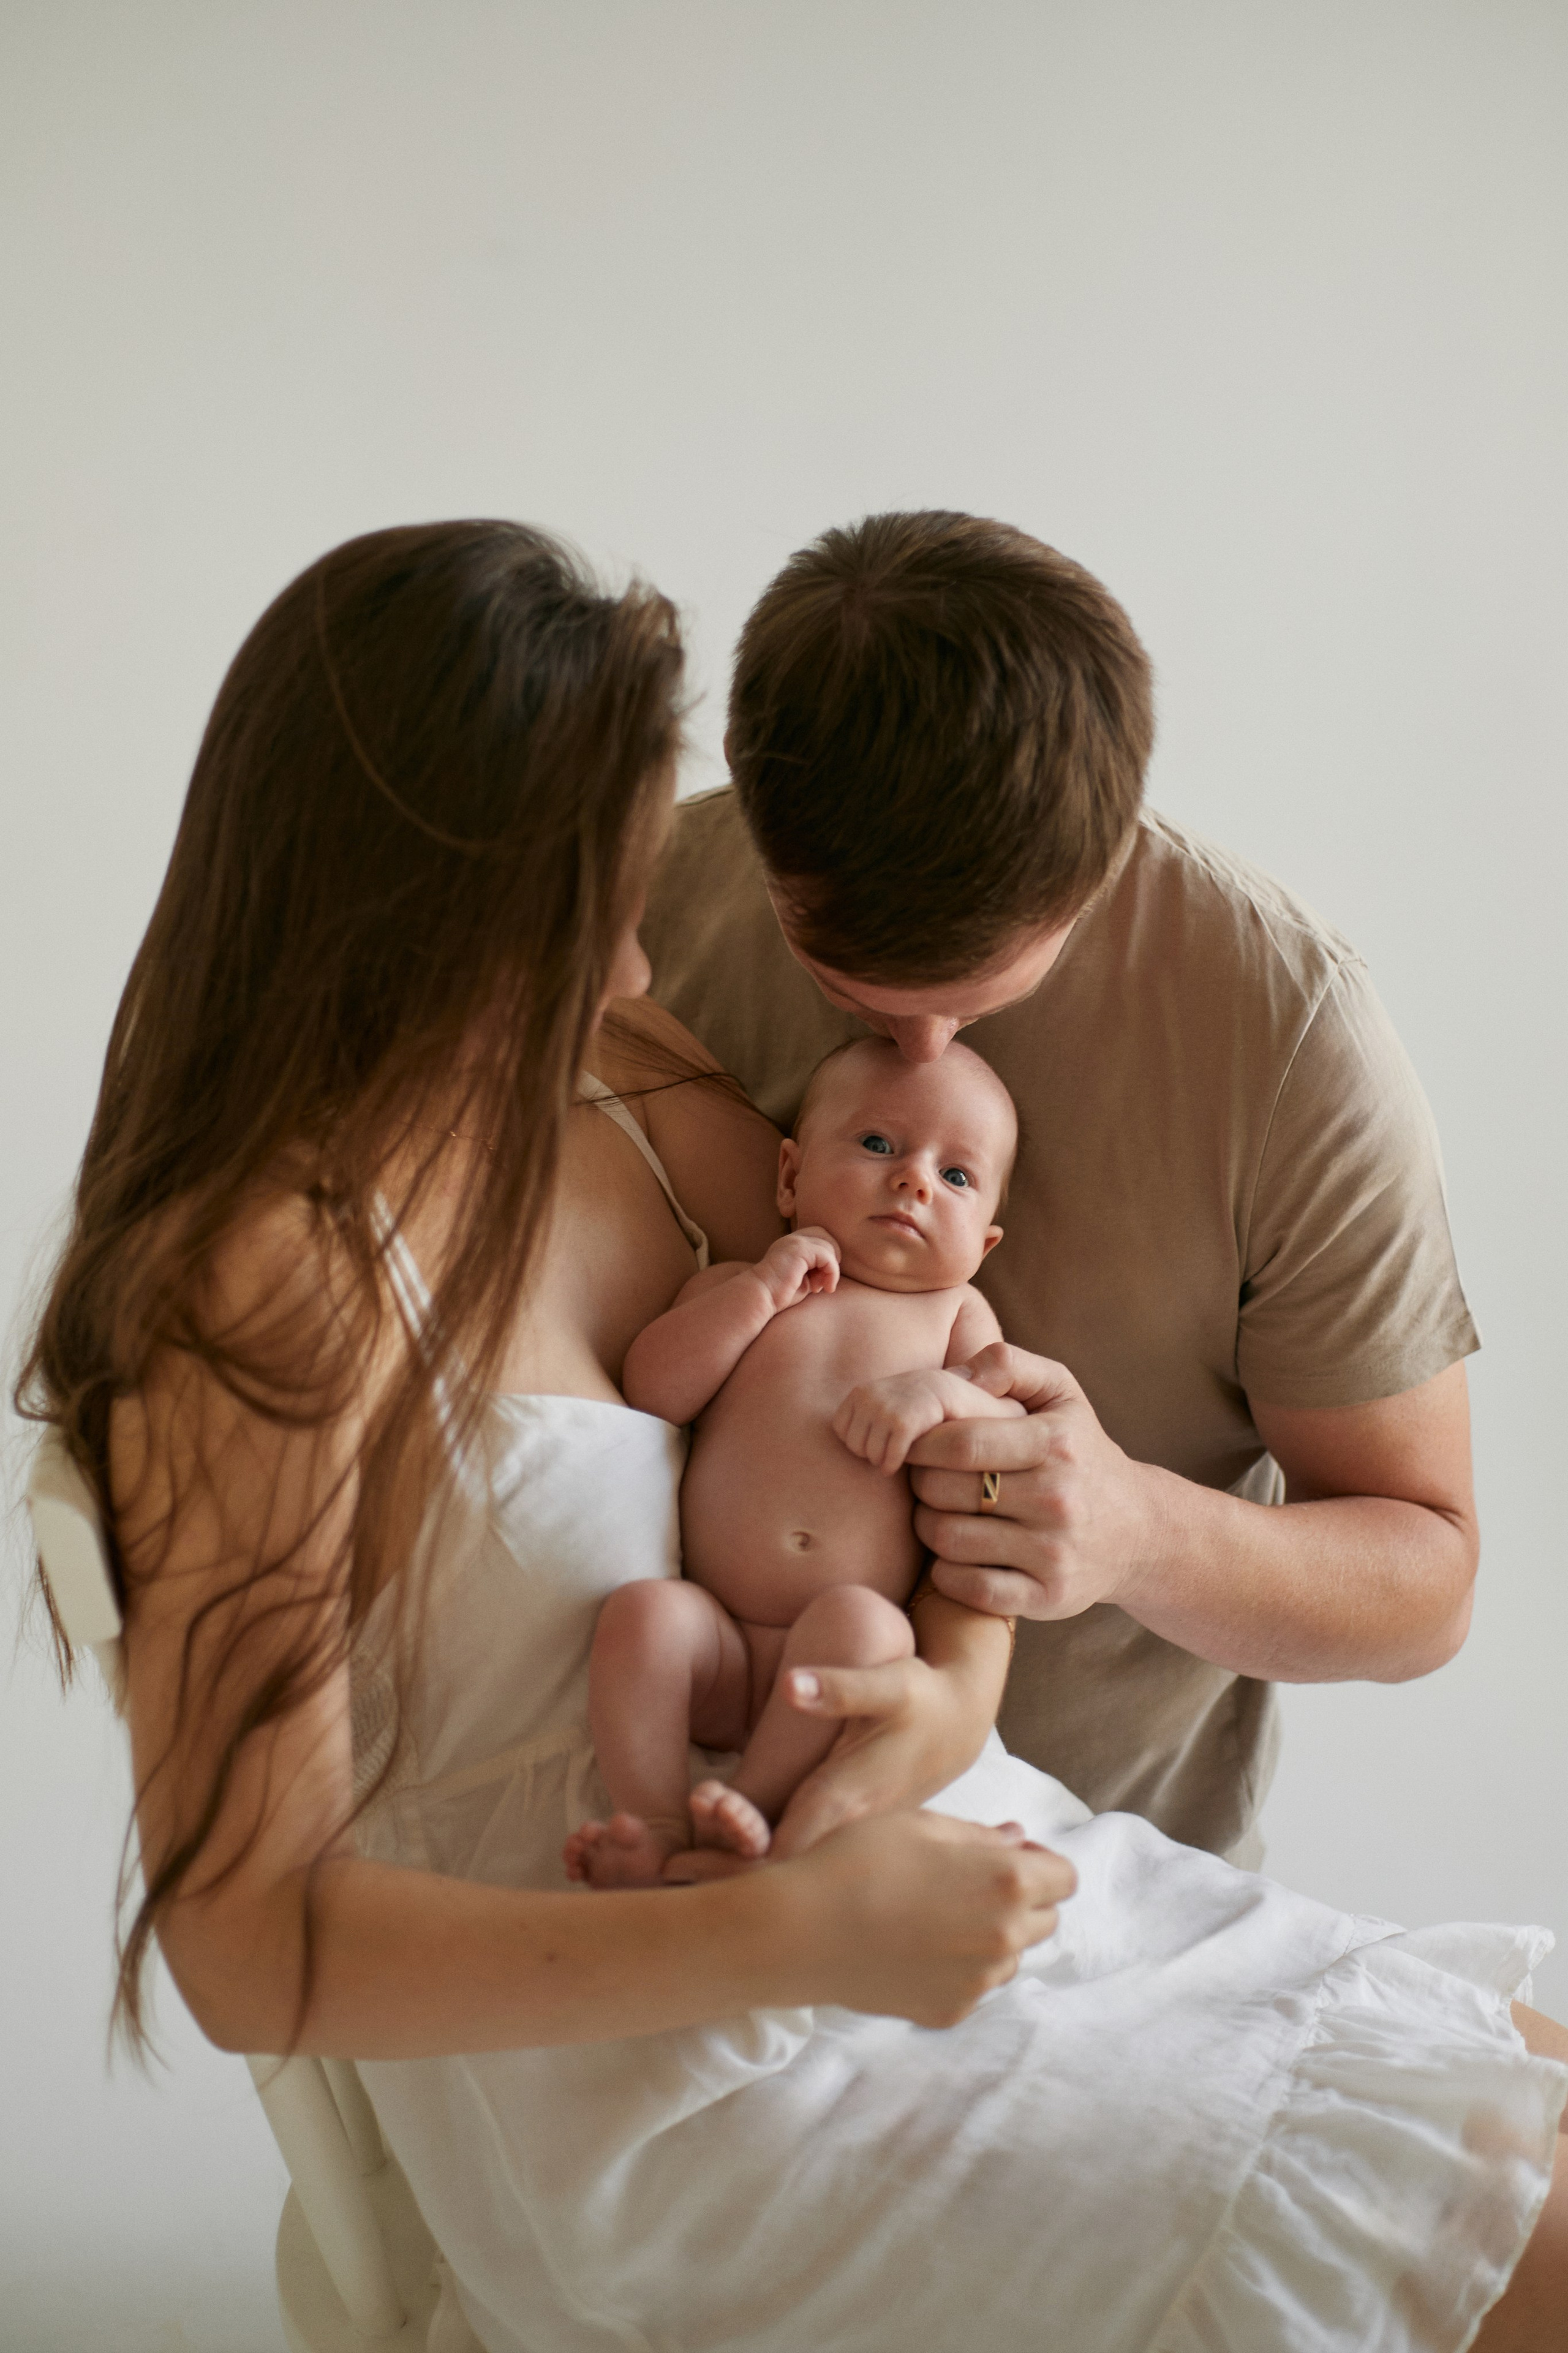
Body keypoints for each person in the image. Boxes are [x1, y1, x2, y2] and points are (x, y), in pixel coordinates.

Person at [18, 521, 1567, 2352]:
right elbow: (242, 1949)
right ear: (446, 885)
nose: (653, 926)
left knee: (1525, 2078)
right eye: (614, 867)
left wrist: (959, 1694)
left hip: (950, 1865)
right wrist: (795, 1943)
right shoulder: (268, 1284)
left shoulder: (638, 1078)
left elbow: (926, 1431)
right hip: (683, 2067)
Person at [641, 508, 1485, 1872]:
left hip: (1092, 1895)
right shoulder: (640, 917)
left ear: (1100, 863)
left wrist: (1137, 1534)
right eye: (839, 981)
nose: (915, 1061)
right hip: (680, 1818)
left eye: (974, 991)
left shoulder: (1285, 1038)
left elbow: (1424, 1588)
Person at [567, 1038, 1023, 1887]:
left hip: (833, 1657)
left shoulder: (957, 1317)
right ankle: (659, 1821)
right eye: (879, 1145)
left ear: (985, 1243)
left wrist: (939, 1397)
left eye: (957, 1177)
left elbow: (999, 1428)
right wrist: (758, 1295)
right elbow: (655, 1389)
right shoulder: (746, 1284)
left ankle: (754, 1807)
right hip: (718, 1634)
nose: (915, 1180)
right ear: (790, 1176)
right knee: (641, 1617)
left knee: (870, 1627)